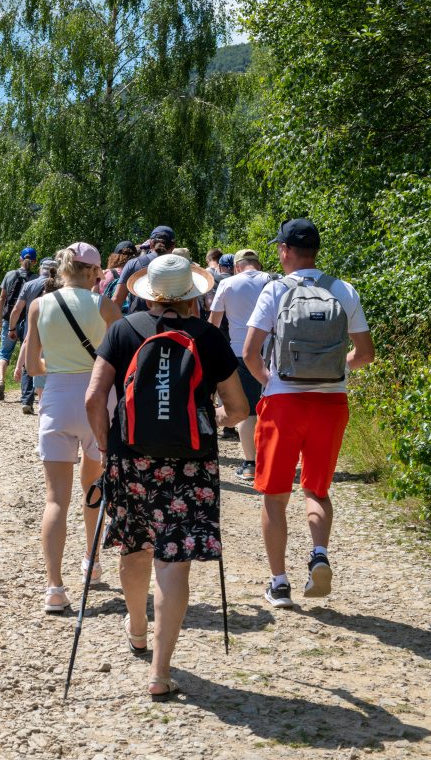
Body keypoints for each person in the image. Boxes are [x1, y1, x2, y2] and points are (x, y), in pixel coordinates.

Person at [84, 254, 248, 699]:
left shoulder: (123, 330)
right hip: (191, 465)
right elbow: (239, 409)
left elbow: (94, 397)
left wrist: (106, 447)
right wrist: (208, 416)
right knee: (173, 560)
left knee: (134, 544)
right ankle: (160, 671)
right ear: (193, 295)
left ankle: (137, 626)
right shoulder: (209, 338)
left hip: (130, 459)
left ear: (149, 294)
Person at [243, 218, 375, 608]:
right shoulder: (343, 290)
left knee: (274, 495)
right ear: (316, 251)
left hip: (284, 403)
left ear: (284, 251)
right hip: (331, 404)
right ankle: (319, 554)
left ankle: (279, 583)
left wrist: (272, 380)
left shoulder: (275, 290)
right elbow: (365, 354)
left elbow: (250, 353)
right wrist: (337, 370)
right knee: (316, 489)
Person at [24, 243, 122, 613]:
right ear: (96, 272)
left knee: (55, 500)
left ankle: (54, 587)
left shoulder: (39, 306)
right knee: (93, 488)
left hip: (58, 402)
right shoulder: (106, 307)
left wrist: (60, 367)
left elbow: (33, 367)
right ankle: (92, 561)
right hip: (98, 402)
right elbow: (123, 358)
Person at [209, 249, 271, 481]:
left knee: (248, 410)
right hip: (272, 352)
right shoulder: (274, 282)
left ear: (236, 266)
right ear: (259, 264)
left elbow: (213, 323)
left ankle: (250, 464)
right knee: (273, 407)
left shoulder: (227, 284)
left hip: (239, 353)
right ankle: (272, 459)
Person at [8, 257, 59, 414]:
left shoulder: (29, 285)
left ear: (41, 269)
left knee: (31, 364)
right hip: (61, 355)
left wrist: (11, 327)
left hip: (35, 327)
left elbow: (17, 309)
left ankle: (27, 399)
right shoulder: (64, 292)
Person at [0, 247, 36, 400]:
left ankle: (1, 380)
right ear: (35, 261)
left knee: (4, 353)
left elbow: (2, 298)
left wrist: (0, 320)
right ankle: (26, 389)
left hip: (9, 319)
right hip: (26, 320)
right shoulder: (36, 278)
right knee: (26, 352)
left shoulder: (10, 275)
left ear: (20, 259)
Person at [111, 226, 176, 314]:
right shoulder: (184, 266)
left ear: (151, 244)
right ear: (173, 246)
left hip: (138, 323)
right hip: (174, 324)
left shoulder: (133, 264)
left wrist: (118, 326)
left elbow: (117, 300)